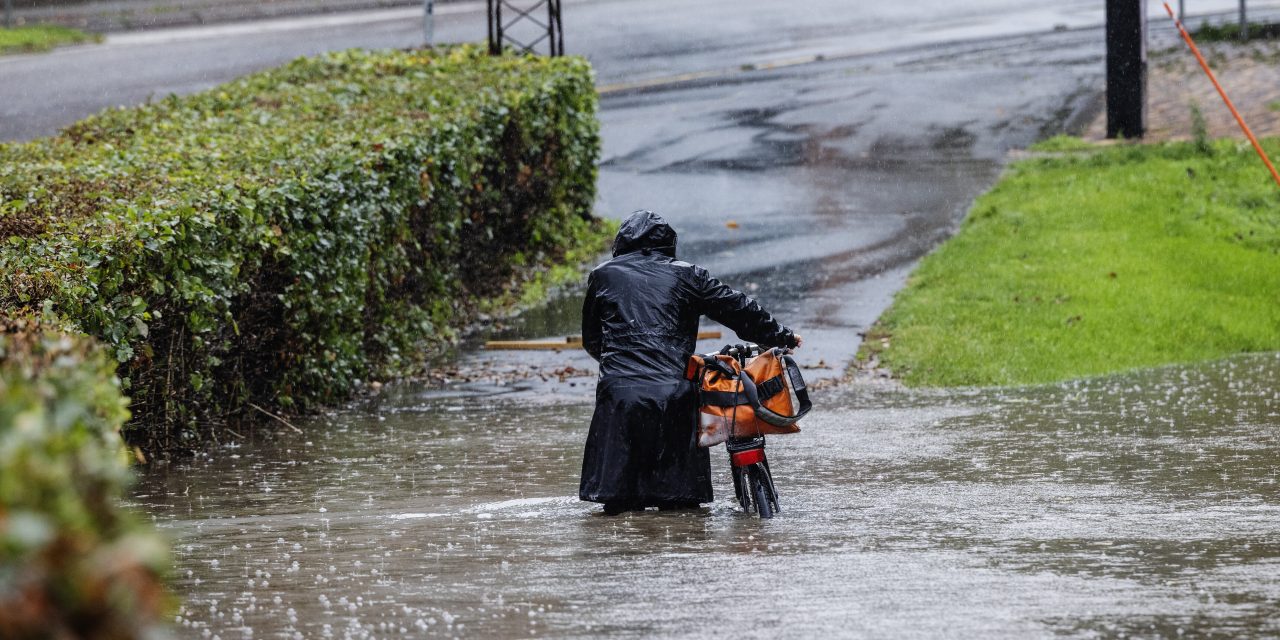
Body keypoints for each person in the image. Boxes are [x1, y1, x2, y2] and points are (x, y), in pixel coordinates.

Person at [579, 210, 802, 515]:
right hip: (675, 395)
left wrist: (623, 369)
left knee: (619, 506)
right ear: (669, 245)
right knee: (680, 506)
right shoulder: (688, 275)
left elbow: (593, 339)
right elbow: (738, 308)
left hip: (619, 397)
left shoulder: (603, 276)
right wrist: (781, 337)